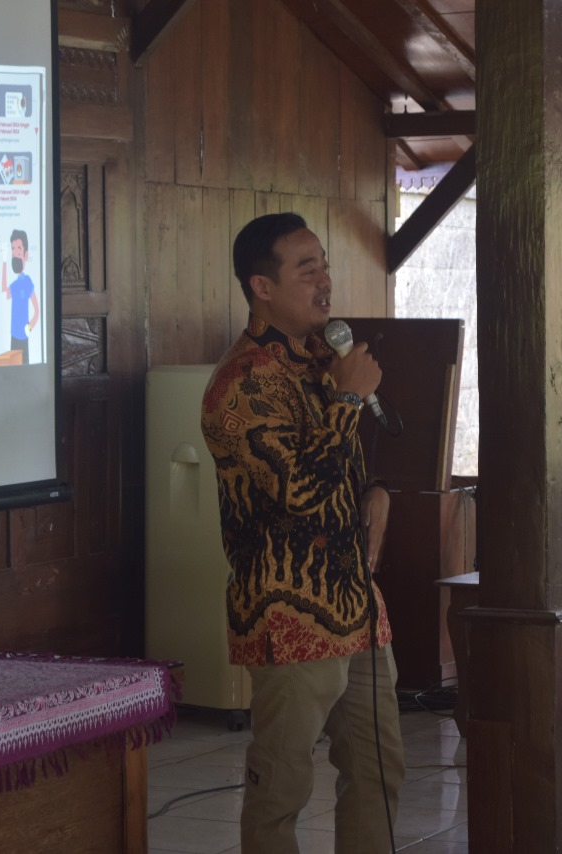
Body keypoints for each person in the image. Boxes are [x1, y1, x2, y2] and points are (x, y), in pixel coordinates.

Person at [200, 213, 404, 854]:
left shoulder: (322, 358)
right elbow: (296, 495)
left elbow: (340, 468)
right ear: (262, 286)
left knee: (379, 770)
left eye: (325, 264)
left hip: (355, 602)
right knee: (281, 786)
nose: (325, 281)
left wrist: (375, 490)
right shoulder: (239, 386)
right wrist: (345, 403)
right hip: (287, 612)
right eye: (306, 269)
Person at [2, 229, 39, 363]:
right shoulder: (15, 284)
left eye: (18, 248)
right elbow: (4, 293)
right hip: (13, 336)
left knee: (24, 367)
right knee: (13, 369)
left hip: (23, 337)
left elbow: (37, 310)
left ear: (26, 254)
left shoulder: (27, 281)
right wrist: (4, 262)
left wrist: (29, 328)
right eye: (13, 248)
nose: (15, 252)